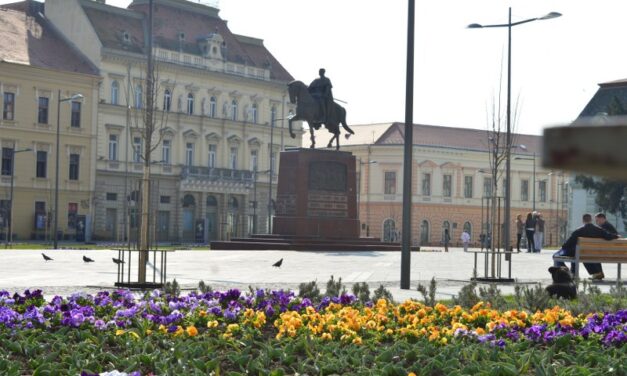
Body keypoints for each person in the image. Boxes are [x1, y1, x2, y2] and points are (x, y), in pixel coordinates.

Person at [553, 213, 619, 280]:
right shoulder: (599, 230)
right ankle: (572, 273)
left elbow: (568, 243)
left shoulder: (578, 231)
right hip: (590, 253)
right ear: (591, 220)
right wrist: (616, 236)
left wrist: (563, 247)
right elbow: (609, 236)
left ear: (583, 220)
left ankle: (567, 272)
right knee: (575, 252)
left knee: (556, 255)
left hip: (578, 253)